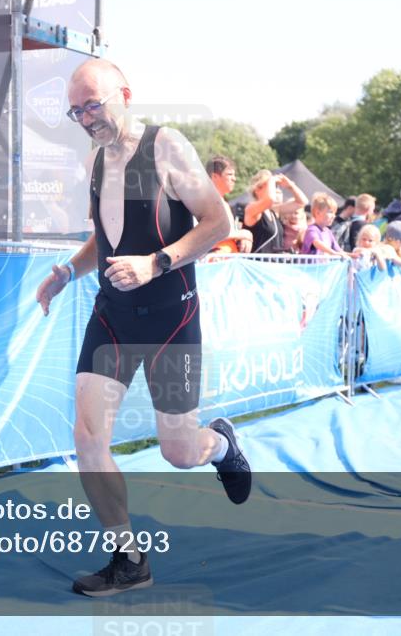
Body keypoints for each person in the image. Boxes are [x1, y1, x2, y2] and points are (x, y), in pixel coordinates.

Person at [34, 59, 250, 598]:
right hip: (113, 314)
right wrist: (67, 273)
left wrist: (156, 263)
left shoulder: (165, 146)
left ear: (124, 95)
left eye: (93, 105)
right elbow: (106, 239)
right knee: (87, 437)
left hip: (171, 317)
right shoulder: (96, 161)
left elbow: (219, 221)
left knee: (178, 450)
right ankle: (128, 559)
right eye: (76, 111)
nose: (86, 118)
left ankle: (220, 446)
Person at [243, 169, 307, 254]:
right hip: (256, 261)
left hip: (274, 261)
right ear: (257, 190)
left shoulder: (274, 210)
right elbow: (270, 199)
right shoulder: (251, 209)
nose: (273, 189)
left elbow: (302, 202)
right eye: (269, 185)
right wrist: (272, 179)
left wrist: (290, 186)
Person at [205, 155, 252, 254]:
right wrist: (244, 234)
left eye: (234, 175)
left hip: (227, 260)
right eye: (229, 174)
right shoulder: (207, 202)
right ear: (215, 176)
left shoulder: (223, 203)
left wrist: (242, 239)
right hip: (214, 261)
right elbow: (208, 234)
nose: (234, 179)